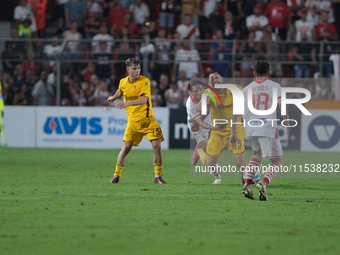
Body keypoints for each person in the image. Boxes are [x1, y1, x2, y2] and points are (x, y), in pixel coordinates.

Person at [231, 60, 289, 201]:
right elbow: (281, 103)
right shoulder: (275, 86)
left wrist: (233, 132)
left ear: (254, 73)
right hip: (267, 126)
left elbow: (235, 112)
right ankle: (263, 183)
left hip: (250, 128)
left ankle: (247, 185)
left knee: (257, 155)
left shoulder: (246, 89)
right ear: (268, 73)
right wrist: (286, 120)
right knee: (277, 162)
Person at [107, 58, 166, 184]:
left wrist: (127, 104)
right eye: (134, 68)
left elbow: (144, 100)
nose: (137, 70)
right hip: (133, 122)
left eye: (138, 68)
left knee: (157, 146)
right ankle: (116, 175)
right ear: (128, 70)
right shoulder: (123, 82)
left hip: (148, 120)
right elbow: (120, 91)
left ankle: (158, 176)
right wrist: (113, 98)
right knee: (126, 147)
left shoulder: (144, 81)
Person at [198, 70, 247, 184]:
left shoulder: (235, 89)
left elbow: (246, 101)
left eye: (216, 78)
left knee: (240, 163)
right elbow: (201, 109)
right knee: (210, 164)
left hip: (236, 129)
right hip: (218, 131)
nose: (215, 80)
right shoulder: (209, 94)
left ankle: (247, 176)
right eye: (212, 79)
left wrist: (243, 115)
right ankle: (200, 151)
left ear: (222, 79)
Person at [186, 81, 222, 184]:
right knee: (210, 154)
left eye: (200, 90)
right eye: (195, 91)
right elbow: (200, 123)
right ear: (191, 92)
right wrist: (214, 128)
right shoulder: (191, 105)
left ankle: (199, 149)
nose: (198, 93)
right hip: (197, 127)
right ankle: (217, 177)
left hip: (208, 121)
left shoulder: (207, 93)